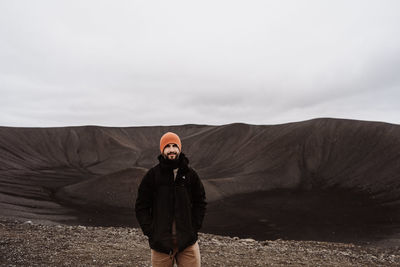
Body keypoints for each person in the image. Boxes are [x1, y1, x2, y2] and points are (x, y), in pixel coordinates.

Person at [135, 132, 207, 267]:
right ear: (162, 150)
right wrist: (151, 232)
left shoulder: (190, 174)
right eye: (167, 146)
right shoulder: (152, 175)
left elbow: (200, 202)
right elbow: (141, 206)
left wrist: (194, 227)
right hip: (161, 245)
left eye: (174, 146)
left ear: (179, 148)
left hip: (187, 243)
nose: (171, 149)